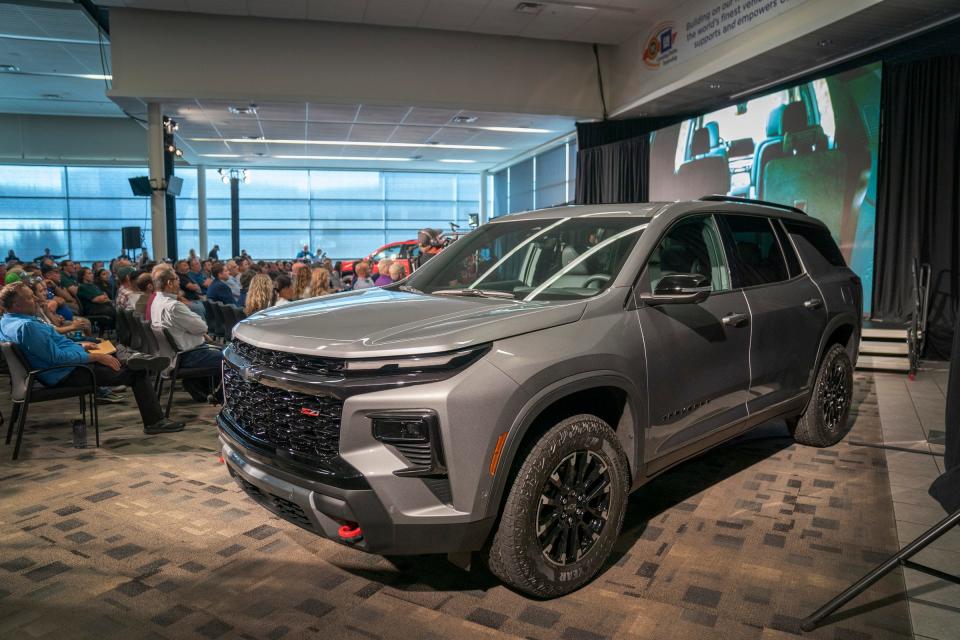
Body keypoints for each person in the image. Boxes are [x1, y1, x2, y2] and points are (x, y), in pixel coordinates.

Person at [0, 281, 183, 434]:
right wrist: (93, 357)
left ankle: (134, 357)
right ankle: (154, 421)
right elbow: (58, 358)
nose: (36, 299)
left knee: (107, 346)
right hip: (65, 373)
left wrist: (81, 346)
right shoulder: (27, 327)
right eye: (29, 297)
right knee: (137, 372)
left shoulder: (7, 321)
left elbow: (50, 350)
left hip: (58, 368)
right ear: (16, 305)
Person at [151, 266, 223, 401]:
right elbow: (202, 327)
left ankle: (200, 387)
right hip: (187, 356)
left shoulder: (156, 301)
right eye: (177, 279)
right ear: (169, 283)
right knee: (230, 359)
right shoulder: (173, 306)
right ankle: (218, 395)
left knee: (223, 351)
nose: (179, 282)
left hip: (171, 356)